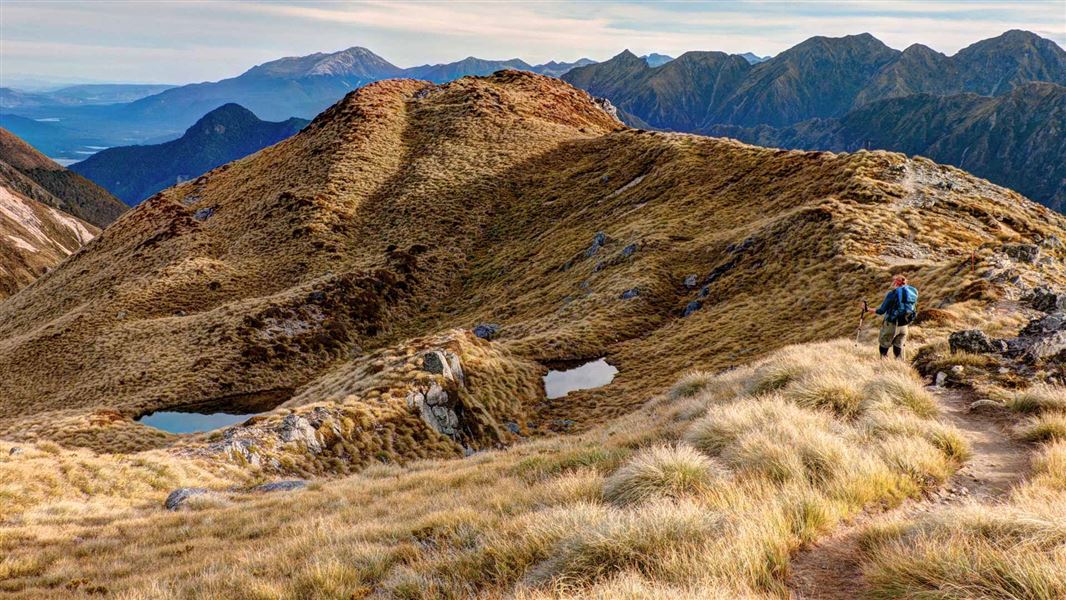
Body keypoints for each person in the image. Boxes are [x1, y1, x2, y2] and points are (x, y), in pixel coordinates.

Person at [866, 274, 918, 359]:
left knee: (884, 345)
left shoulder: (893, 294)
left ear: (896, 282)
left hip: (891, 324)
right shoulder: (912, 292)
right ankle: (899, 365)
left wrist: (867, 309)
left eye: (893, 281)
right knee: (898, 346)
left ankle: (884, 363)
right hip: (904, 324)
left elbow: (881, 311)